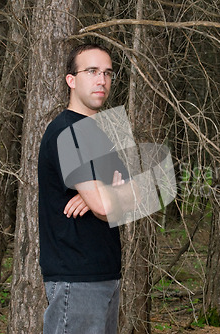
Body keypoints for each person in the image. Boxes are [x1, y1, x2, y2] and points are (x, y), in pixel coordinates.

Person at [38, 43, 136, 334]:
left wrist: (99, 192)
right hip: (76, 277)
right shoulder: (66, 131)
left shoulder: (103, 132)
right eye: (92, 71)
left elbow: (136, 196)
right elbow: (107, 208)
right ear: (71, 80)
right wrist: (107, 194)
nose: (101, 80)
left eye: (107, 73)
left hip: (106, 272)